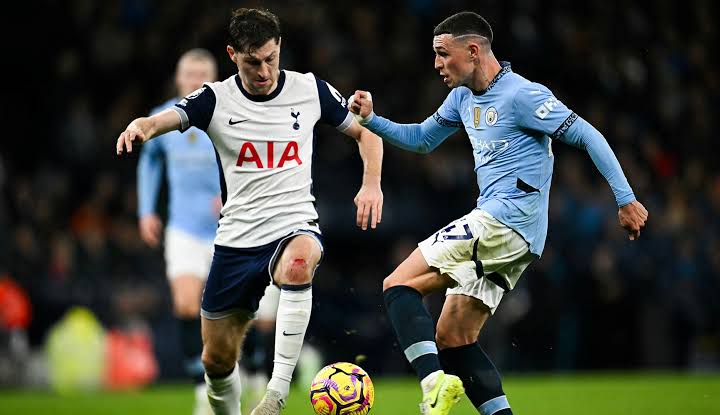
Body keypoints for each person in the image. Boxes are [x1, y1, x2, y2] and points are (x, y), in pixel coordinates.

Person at [348, 11, 648, 415]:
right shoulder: (461, 97)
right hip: (512, 234)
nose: (436, 64)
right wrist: (370, 119)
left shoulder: (522, 95)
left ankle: (433, 384)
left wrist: (625, 199)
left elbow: (587, 134)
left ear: (473, 51)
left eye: (442, 54)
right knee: (454, 337)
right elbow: (421, 139)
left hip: (504, 221)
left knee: (397, 285)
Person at [117, 8, 384, 415]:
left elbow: (368, 134)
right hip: (236, 240)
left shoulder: (309, 90)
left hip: (293, 224)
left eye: (271, 58)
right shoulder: (215, 99)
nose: (264, 71)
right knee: (216, 360)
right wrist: (142, 126)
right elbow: (166, 119)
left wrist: (370, 184)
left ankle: (274, 396)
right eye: (252, 62)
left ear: (280, 49)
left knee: (299, 263)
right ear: (232, 55)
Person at [136, 48, 220, 415]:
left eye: (204, 73)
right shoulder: (164, 118)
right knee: (186, 304)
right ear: (178, 78)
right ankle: (203, 388)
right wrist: (146, 211)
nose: (196, 79)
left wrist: (230, 193)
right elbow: (149, 161)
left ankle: (244, 372)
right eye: (190, 73)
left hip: (228, 228)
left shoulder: (226, 112)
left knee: (229, 313)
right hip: (183, 227)